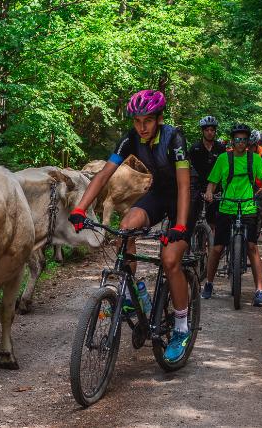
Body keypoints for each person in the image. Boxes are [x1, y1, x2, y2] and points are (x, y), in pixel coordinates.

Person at [68, 89, 195, 363]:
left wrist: (181, 226)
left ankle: (181, 328)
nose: (141, 127)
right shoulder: (130, 138)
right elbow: (104, 175)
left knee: (170, 259)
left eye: (147, 120)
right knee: (125, 227)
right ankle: (131, 292)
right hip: (159, 193)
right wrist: (80, 208)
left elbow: (184, 185)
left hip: (186, 198)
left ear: (159, 118)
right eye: (137, 121)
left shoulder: (175, 139)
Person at [201, 123, 262, 307]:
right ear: (232, 141)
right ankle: (208, 283)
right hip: (227, 207)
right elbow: (212, 182)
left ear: (248, 141)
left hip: (248, 207)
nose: (241, 143)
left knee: (252, 248)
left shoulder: (255, 159)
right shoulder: (224, 159)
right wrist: (209, 192)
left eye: (244, 139)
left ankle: (259, 290)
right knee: (216, 249)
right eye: (237, 139)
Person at [188, 116, 226, 235]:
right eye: (207, 130)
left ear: (215, 131)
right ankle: (188, 242)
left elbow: (225, 169)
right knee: (192, 215)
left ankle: (211, 246)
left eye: (212, 130)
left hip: (216, 187)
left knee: (214, 219)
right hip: (198, 186)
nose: (210, 132)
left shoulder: (221, 148)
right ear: (202, 131)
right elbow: (190, 169)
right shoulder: (195, 148)